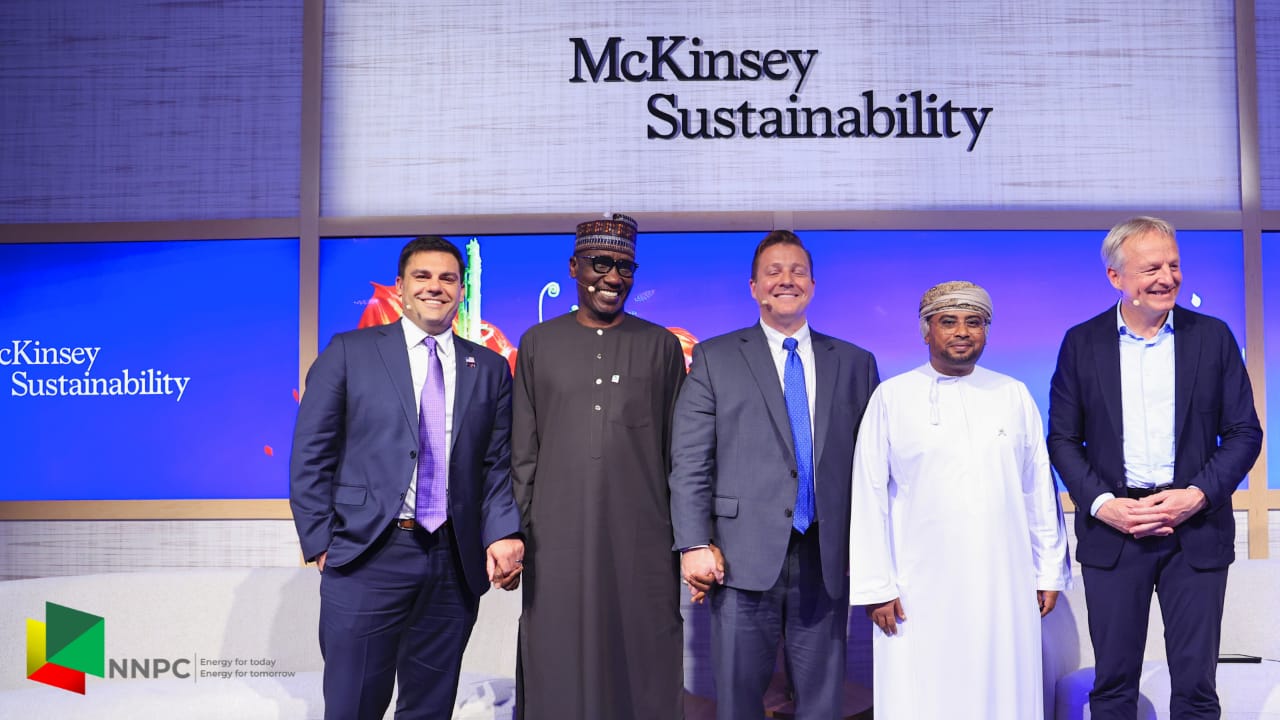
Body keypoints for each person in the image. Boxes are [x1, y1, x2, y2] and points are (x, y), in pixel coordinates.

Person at [290, 236, 524, 720]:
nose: (435, 287)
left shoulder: (490, 368)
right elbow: (311, 453)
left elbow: (496, 463)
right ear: (400, 286)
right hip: (367, 553)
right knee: (353, 705)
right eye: (422, 276)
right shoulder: (350, 351)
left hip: (452, 559)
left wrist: (503, 532)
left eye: (447, 278)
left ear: (461, 291)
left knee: (430, 707)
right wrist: (320, 541)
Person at [1048, 216, 1262, 719]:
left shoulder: (1212, 337)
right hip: (1115, 533)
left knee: (1196, 688)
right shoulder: (1082, 343)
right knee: (1112, 686)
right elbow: (1062, 439)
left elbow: (1244, 433)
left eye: (1174, 265)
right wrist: (1104, 505)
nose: (1168, 278)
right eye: (1152, 269)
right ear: (1115, 277)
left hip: (1196, 530)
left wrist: (1197, 496)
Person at [669, 230, 880, 720]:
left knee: (823, 703)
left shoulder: (855, 363)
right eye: (774, 272)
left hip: (826, 558)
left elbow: (873, 466)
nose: (787, 280)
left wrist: (870, 546)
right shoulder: (716, 357)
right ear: (753, 287)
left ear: (813, 285)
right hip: (738, 559)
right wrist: (694, 542)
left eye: (797, 271)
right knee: (739, 702)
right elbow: (691, 459)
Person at [848, 280, 1071, 720]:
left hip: (1004, 583)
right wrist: (876, 587)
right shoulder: (892, 397)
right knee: (924, 692)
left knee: (1002, 688)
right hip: (918, 589)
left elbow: (1037, 491)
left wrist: (1048, 570)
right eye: (948, 321)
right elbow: (868, 494)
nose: (962, 332)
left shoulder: (1013, 394)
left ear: (987, 331)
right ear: (926, 330)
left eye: (975, 322)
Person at [512, 213, 687, 720]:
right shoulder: (537, 343)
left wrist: (691, 539)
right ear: (574, 266)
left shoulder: (661, 346)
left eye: (625, 267)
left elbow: (679, 453)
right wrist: (512, 532)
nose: (613, 277)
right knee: (556, 657)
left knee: (643, 660)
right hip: (554, 541)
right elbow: (522, 451)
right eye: (600, 263)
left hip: (642, 542)